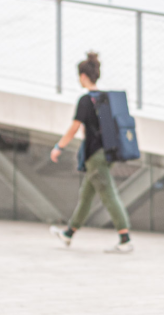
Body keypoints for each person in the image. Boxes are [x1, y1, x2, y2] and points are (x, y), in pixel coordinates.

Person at [49, 52, 133, 254]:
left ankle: (125, 240)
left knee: (109, 195)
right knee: (86, 196)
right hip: (109, 152)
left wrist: (58, 147)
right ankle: (68, 234)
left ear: (84, 76)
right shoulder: (106, 99)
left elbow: (74, 128)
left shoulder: (86, 101)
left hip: (95, 156)